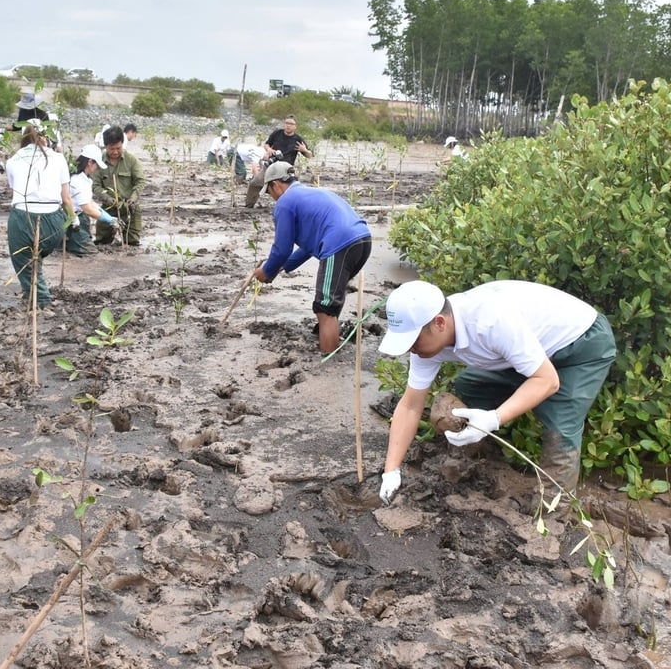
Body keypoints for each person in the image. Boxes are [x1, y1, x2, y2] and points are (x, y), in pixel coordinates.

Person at [375, 279, 617, 504]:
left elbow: (547, 381)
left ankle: (555, 510)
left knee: (560, 423)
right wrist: (391, 470)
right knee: (471, 385)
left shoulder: (489, 322)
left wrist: (495, 418)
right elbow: (410, 405)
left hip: (579, 344)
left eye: (413, 341)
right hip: (526, 348)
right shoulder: (426, 345)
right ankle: (471, 460)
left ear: (439, 323)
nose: (411, 349)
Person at [251, 162, 371, 353]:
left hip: (339, 244)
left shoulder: (285, 202)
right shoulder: (309, 194)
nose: (272, 197)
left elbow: (282, 249)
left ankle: (326, 366)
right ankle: (327, 342)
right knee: (331, 298)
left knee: (325, 308)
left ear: (276, 185)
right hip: (362, 240)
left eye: (269, 192)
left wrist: (266, 271)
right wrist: (281, 267)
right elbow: (307, 247)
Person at [4, 124, 74, 308]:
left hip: (23, 217)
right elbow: (66, 198)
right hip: (54, 221)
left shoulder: (13, 160)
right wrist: (72, 221)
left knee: (24, 259)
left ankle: (41, 299)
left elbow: (15, 191)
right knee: (37, 256)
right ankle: (32, 292)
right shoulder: (59, 158)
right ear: (46, 137)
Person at [244, 116, 313, 207]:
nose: (288, 125)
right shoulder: (277, 134)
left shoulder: (298, 139)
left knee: (287, 188)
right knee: (255, 182)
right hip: (272, 163)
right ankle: (249, 205)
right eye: (286, 123)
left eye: (291, 124)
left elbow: (309, 155)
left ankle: (292, 206)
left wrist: (304, 150)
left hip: (285, 167)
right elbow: (267, 144)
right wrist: (269, 149)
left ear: (295, 126)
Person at [95, 125, 146, 246]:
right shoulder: (98, 161)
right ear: (105, 145)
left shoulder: (131, 160)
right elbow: (95, 185)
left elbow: (140, 182)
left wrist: (133, 199)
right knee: (102, 242)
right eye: (111, 149)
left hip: (129, 208)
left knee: (132, 243)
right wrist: (106, 197)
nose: (115, 152)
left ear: (123, 144)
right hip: (108, 208)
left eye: (118, 148)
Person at [66, 144, 120, 257]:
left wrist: (110, 217)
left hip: (80, 217)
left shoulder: (85, 178)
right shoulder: (77, 180)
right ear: (90, 162)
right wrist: (108, 220)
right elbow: (88, 209)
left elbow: (90, 202)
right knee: (90, 253)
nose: (97, 169)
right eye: (97, 165)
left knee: (86, 244)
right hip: (72, 220)